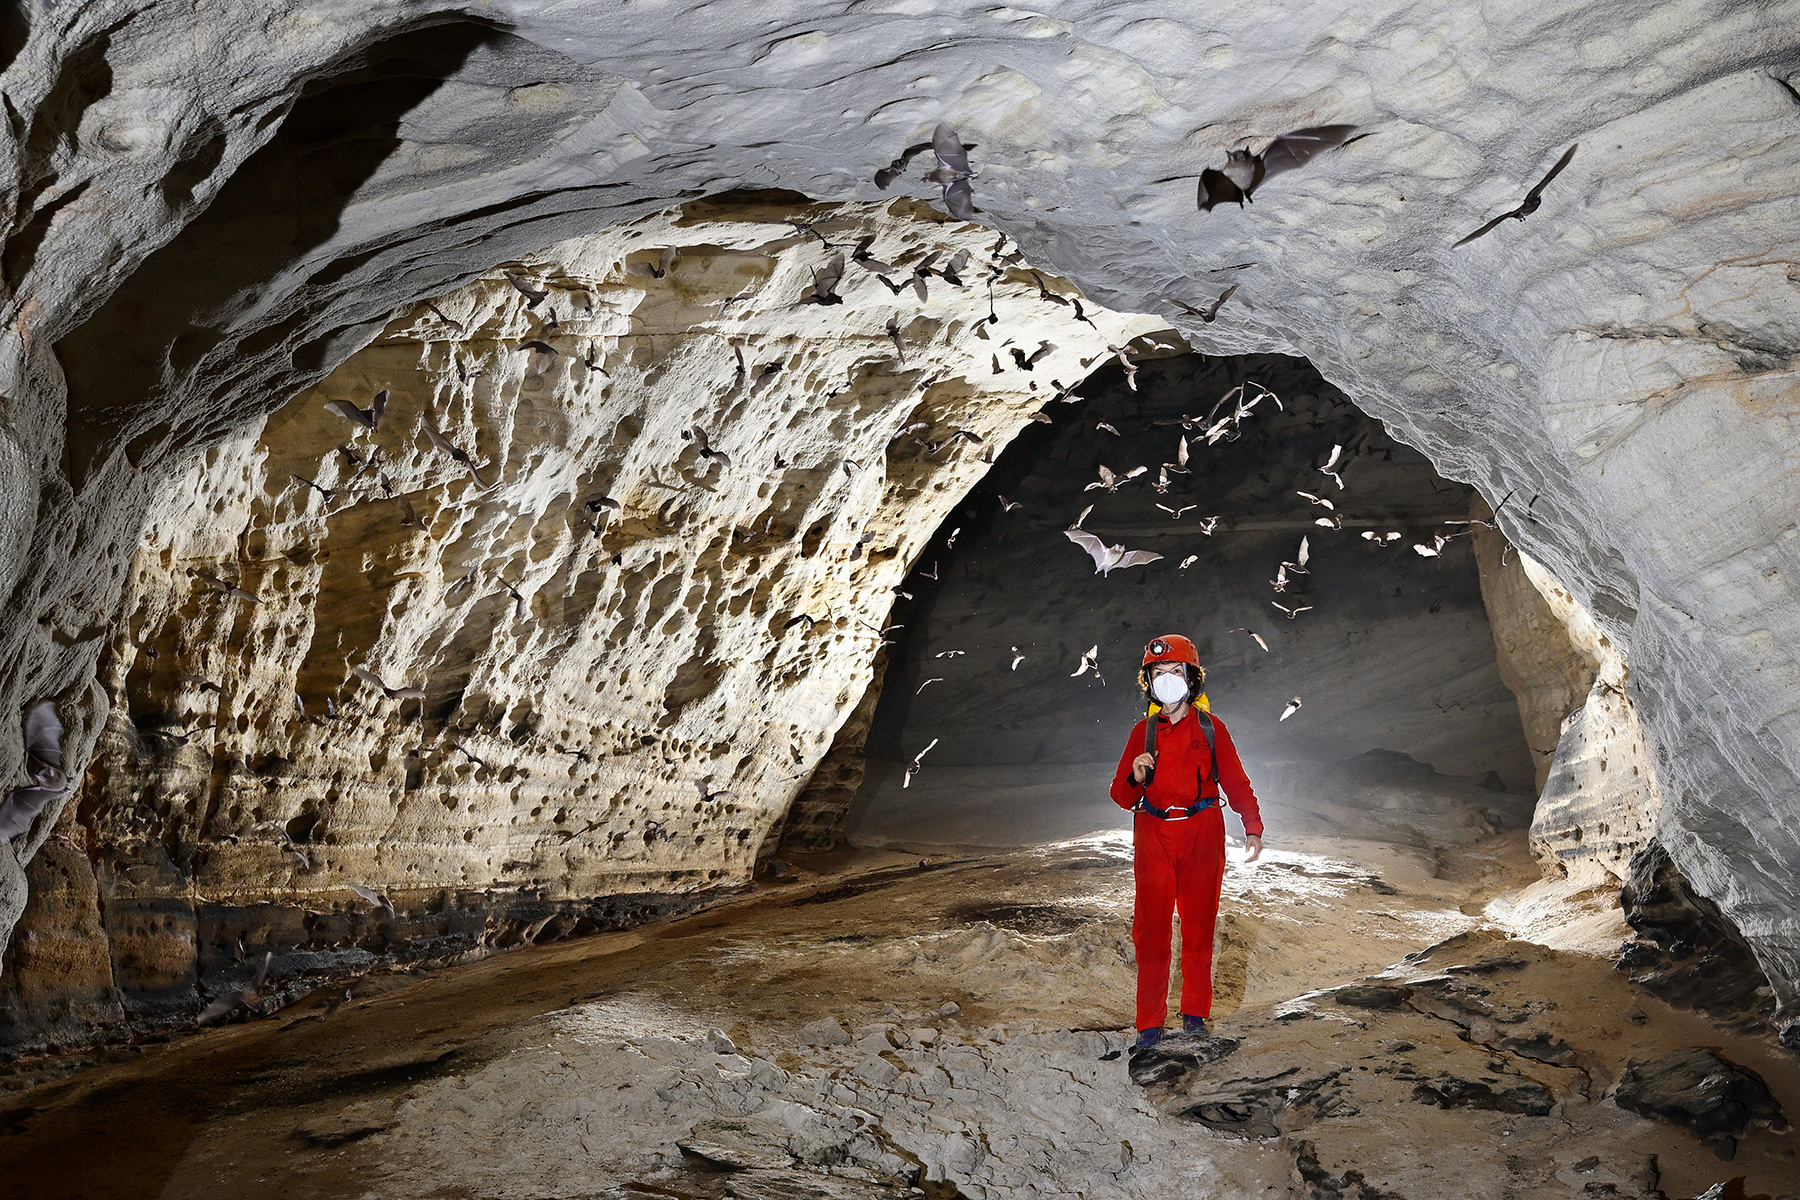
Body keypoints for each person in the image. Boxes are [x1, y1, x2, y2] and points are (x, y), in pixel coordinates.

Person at [1109, 635, 1263, 1048]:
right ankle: (1149, 1025)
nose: (1167, 680)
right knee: (1151, 932)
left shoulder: (1211, 729)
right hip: (1154, 834)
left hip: (1202, 832)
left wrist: (1252, 826)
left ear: (1191, 678)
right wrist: (1136, 776)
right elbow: (1122, 797)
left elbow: (1235, 780)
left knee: (1198, 929)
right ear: (1149, 682)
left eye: (1175, 672)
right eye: (1158, 674)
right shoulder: (1142, 733)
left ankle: (1194, 1015)